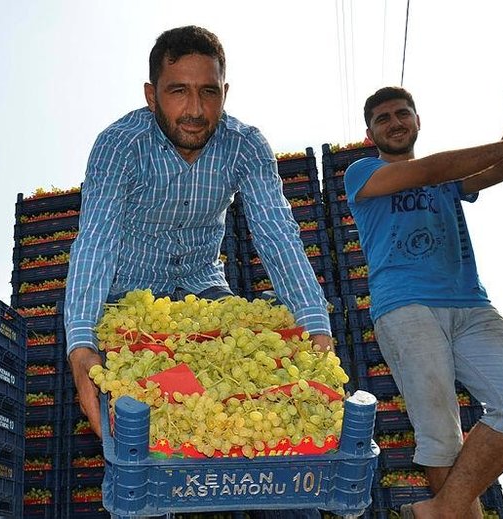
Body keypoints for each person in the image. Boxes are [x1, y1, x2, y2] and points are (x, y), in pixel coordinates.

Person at [64, 25, 331, 519]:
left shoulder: (245, 145)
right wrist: (83, 348)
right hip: (129, 300)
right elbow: (96, 240)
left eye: (209, 92)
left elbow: (277, 235)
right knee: (144, 451)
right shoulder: (120, 144)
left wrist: (315, 326)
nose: (194, 109)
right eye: (178, 91)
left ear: (224, 93)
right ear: (151, 95)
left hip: (205, 292)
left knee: (268, 432)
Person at [344, 86, 503, 519]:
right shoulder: (361, 173)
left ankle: (439, 510)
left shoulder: (449, 180)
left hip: (472, 305)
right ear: (370, 133)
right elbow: (430, 170)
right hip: (406, 308)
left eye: (402, 114)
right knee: (441, 433)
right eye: (383, 118)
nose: (395, 123)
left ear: (418, 121)